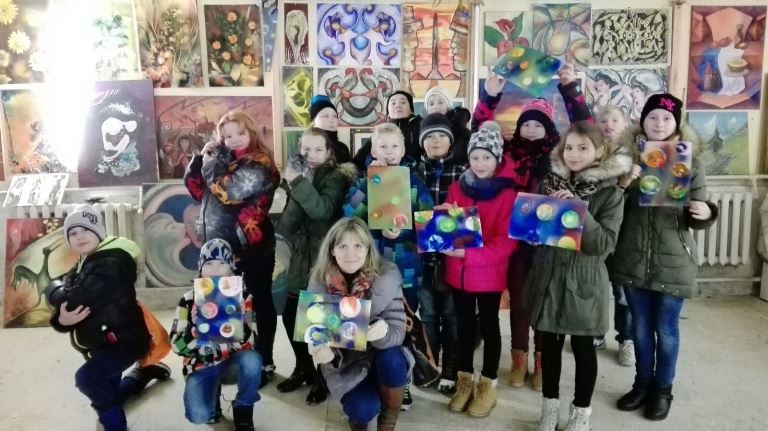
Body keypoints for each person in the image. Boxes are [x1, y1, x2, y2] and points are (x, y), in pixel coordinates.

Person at [472, 63, 592, 391]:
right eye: (526, 123)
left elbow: (587, 129)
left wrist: (570, 88)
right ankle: (519, 355)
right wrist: (490, 94)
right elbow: (480, 129)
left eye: (538, 124)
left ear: (548, 127)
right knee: (520, 298)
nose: (531, 129)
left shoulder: (561, 153)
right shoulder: (507, 151)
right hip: (513, 235)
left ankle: (541, 358)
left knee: (544, 298)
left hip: (549, 235)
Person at [609, 93, 718, 421]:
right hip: (632, 256)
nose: (659, 123)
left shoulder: (691, 162)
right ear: (642, 121)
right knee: (641, 328)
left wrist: (704, 212)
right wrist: (623, 183)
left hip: (673, 260)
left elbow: (699, 210)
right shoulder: (624, 159)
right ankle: (642, 384)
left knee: (666, 329)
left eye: (667, 118)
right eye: (653, 117)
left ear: (676, 123)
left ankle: (663, 390)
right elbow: (609, 209)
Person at [528, 122, 630, 431]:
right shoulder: (547, 184)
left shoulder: (610, 193)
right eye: (569, 148)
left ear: (599, 152)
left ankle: (581, 414)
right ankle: (549, 411)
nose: (574, 154)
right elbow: (534, 231)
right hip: (549, 278)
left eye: (582, 148)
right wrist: (532, 227)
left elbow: (603, 245)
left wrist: (576, 209)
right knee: (549, 348)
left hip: (583, 282)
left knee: (584, 350)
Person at [49, 205, 170, 431]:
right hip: (102, 342)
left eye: (86, 229)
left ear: (99, 233)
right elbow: (70, 302)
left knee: (88, 379)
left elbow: (73, 299)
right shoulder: (85, 263)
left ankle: (116, 425)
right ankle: (142, 374)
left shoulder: (113, 262)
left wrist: (52, 291)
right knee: (111, 395)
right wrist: (61, 320)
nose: (80, 236)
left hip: (124, 342)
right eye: (73, 233)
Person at [184, 111, 281, 386]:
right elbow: (197, 190)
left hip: (252, 248)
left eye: (240, 133)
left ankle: (264, 360)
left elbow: (229, 192)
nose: (234, 139)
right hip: (219, 249)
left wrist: (211, 164)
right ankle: (224, 359)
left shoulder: (260, 163)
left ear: (251, 132)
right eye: (227, 135)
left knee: (259, 302)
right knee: (222, 303)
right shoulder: (220, 160)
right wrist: (199, 160)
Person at [343, 122, 434, 409]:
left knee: (402, 326)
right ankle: (365, 378)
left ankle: (400, 382)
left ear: (404, 150)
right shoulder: (365, 181)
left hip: (406, 268)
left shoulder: (414, 181)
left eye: (395, 146)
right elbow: (349, 215)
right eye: (383, 146)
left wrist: (403, 230)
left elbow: (428, 220)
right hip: (371, 267)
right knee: (368, 323)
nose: (389, 151)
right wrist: (370, 184)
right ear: (373, 150)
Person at [442, 122, 518, 418]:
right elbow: (449, 225)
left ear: (497, 159)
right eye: (475, 157)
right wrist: (441, 221)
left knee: (489, 327)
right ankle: (464, 382)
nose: (480, 163)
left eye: (487, 157)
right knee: (462, 328)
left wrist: (469, 254)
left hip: (488, 276)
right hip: (457, 273)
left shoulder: (507, 194)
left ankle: (487, 385)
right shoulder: (457, 187)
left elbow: (506, 243)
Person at [307, 217, 413, 431]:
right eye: (342, 246)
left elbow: (398, 332)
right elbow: (317, 334)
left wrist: (383, 333)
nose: (350, 253)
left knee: (393, 359)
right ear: (332, 250)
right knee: (362, 409)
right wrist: (322, 351)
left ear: (368, 249)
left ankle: (387, 424)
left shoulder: (387, 276)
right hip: (346, 364)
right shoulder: (319, 281)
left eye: (358, 246)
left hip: (380, 355)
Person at [274, 128, 352, 404]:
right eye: (306, 150)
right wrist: (297, 182)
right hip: (299, 257)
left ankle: (323, 376)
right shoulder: (298, 177)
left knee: (322, 321)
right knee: (290, 315)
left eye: (318, 149)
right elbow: (288, 223)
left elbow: (322, 210)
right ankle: (303, 367)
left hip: (325, 258)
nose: (311, 155)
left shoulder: (336, 177)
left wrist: (298, 182)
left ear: (328, 152)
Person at [169, 239, 261, 431]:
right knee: (199, 415)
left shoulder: (244, 298)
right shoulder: (188, 301)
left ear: (231, 267)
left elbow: (252, 342)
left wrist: (240, 321)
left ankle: (243, 407)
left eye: (222, 263)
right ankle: (212, 396)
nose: (216, 270)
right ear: (200, 268)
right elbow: (176, 347)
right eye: (209, 263)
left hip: (232, 362)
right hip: (202, 365)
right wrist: (193, 330)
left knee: (253, 361)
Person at [415, 113, 465, 395]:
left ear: (450, 141)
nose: (435, 141)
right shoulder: (412, 173)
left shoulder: (463, 173)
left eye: (441, 136)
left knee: (452, 315)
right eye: (430, 136)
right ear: (422, 142)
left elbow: (472, 213)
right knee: (428, 315)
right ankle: (430, 365)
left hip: (452, 259)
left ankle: (450, 369)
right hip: (422, 259)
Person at [592, 104, 635, 366]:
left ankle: (626, 339)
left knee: (622, 291)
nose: (609, 125)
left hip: (624, 231)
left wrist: (625, 185)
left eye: (615, 120)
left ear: (625, 124)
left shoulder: (635, 155)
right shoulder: (590, 152)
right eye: (603, 120)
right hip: (596, 229)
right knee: (594, 286)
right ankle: (595, 333)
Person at [353, 90, 422, 170]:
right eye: (393, 103)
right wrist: (372, 166)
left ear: (411, 110)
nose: (398, 105)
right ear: (388, 112)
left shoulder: (421, 126)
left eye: (403, 102)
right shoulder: (381, 131)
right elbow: (359, 160)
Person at [423, 86, 471, 165]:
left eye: (440, 102)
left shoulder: (459, 127)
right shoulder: (423, 127)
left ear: (448, 105)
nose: (436, 106)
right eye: (431, 104)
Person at [308, 95, 352, 163]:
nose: (332, 120)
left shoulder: (342, 148)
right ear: (314, 121)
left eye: (334, 116)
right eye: (326, 116)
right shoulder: (306, 148)